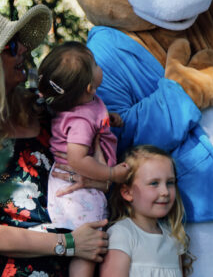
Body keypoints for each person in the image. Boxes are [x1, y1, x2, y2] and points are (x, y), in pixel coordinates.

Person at [0, 5, 110, 277]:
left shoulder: (43, 107)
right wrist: (70, 245)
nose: (24, 49)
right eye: (11, 46)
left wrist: (99, 180)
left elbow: (101, 157)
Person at [37, 41, 131, 277]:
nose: (100, 66)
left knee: (93, 242)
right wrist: (111, 174)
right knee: (88, 245)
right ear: (89, 86)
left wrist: (108, 119)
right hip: (76, 190)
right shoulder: (81, 122)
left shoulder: (81, 104)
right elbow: (77, 159)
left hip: (78, 186)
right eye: (96, 64)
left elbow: (90, 119)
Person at [100, 145, 193, 277]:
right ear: (127, 192)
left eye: (170, 183)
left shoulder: (174, 237)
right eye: (154, 183)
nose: (165, 192)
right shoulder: (123, 234)